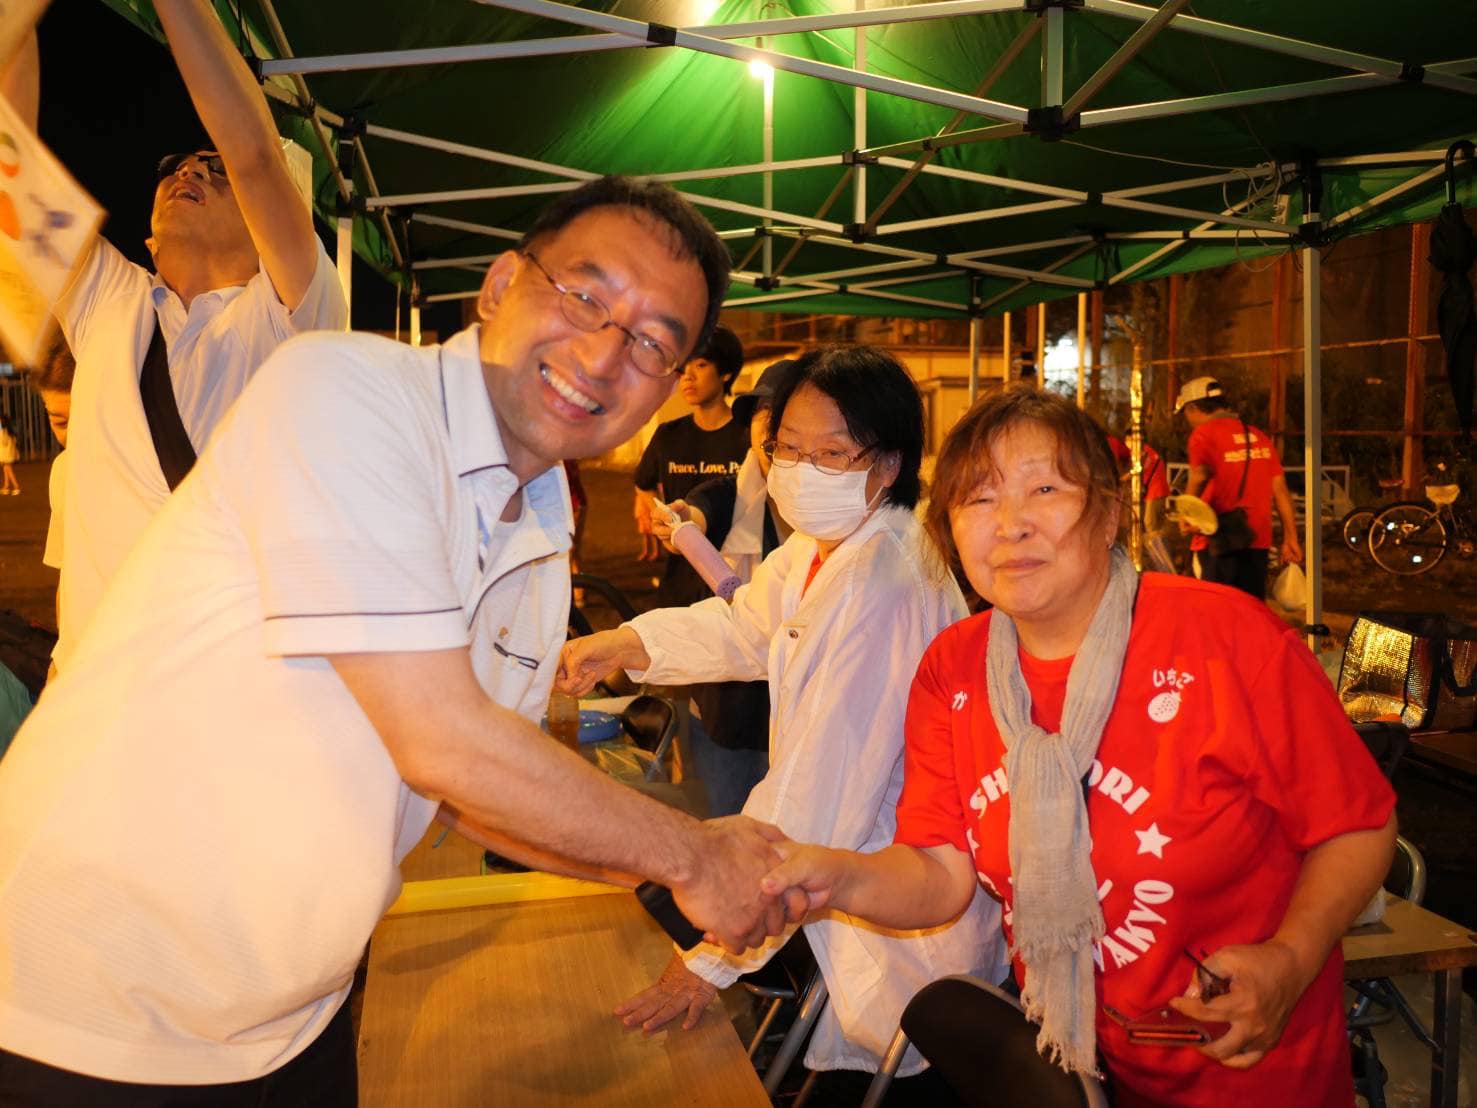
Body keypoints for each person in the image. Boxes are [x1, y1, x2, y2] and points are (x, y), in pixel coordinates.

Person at [0, 176, 794, 1103]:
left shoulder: (541, 547)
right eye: (585, 295)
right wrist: (692, 857)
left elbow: (469, 796)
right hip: (80, 1007)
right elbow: (441, 738)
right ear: (500, 286)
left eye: (655, 342)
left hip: (288, 1021)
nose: (605, 351)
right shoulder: (345, 391)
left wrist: (677, 876)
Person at [762, 387, 1396, 1107]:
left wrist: (1291, 958)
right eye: (978, 499)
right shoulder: (954, 668)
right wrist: (835, 877)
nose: (1010, 525)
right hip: (1076, 1061)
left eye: (1045, 489)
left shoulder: (1227, 639)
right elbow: (939, 872)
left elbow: (1359, 825)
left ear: (1108, 512)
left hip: (1252, 1069)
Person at [559, 347, 1006, 1082]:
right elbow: (749, 625)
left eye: (830, 453)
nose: (800, 471)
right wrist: (628, 642)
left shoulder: (884, 582)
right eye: (788, 450)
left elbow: (819, 788)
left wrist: (710, 958)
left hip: (895, 899)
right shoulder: (816, 549)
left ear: (887, 465)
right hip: (843, 874)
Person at [2, 0, 348, 673]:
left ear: (265, 230)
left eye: (214, 171)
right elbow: (13, 162)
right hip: (94, 696)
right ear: (148, 241)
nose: (190, 171)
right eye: (176, 167)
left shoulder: (290, 315)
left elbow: (254, 154)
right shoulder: (109, 297)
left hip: (229, 697)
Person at [645, 359, 795, 816]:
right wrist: (680, 521)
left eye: (783, 414)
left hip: (801, 716)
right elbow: (697, 511)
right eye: (761, 414)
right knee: (723, 826)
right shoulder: (731, 494)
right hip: (729, 713)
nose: (769, 426)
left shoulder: (825, 516)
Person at [633, 323, 750, 606]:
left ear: (725, 372)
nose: (688, 376)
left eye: (700, 365)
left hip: (737, 576)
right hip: (679, 579)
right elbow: (643, 483)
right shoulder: (668, 435)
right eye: (684, 367)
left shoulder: (748, 436)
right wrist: (667, 521)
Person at [1174, 377, 1301, 600]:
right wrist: (1290, 538)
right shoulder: (1258, 436)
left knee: (1215, 611)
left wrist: (1186, 511)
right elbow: (1280, 489)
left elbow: (1200, 474)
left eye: (1185, 412)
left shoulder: (1203, 435)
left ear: (1193, 408)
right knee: (1250, 610)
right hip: (1257, 540)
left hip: (1217, 541)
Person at [0, 416, 18, 495]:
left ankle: (16, 486)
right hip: (8, 453)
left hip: (6, 454)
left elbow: (3, 441)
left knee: (9, 470)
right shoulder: (9, 431)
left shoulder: (4, 431)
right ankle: (6, 486)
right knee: (5, 470)